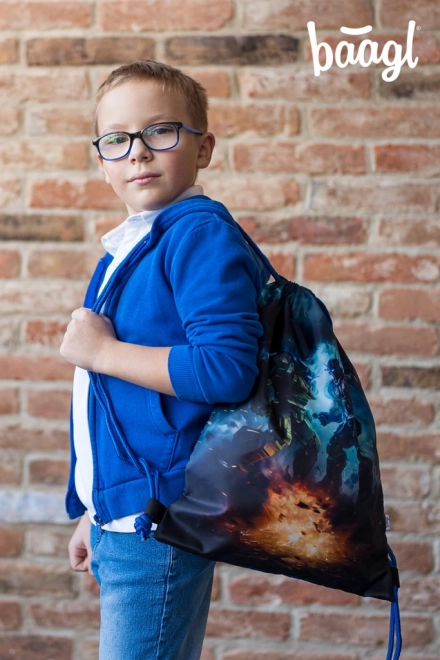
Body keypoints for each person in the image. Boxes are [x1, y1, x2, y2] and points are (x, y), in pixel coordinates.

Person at [60, 60, 270, 660]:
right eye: (117, 139)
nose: (138, 152)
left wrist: (103, 352)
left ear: (203, 148)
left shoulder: (196, 234)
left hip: (161, 515)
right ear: (102, 160)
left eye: (160, 131)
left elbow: (225, 369)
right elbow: (115, 408)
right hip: (129, 512)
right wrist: (96, 507)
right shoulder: (133, 244)